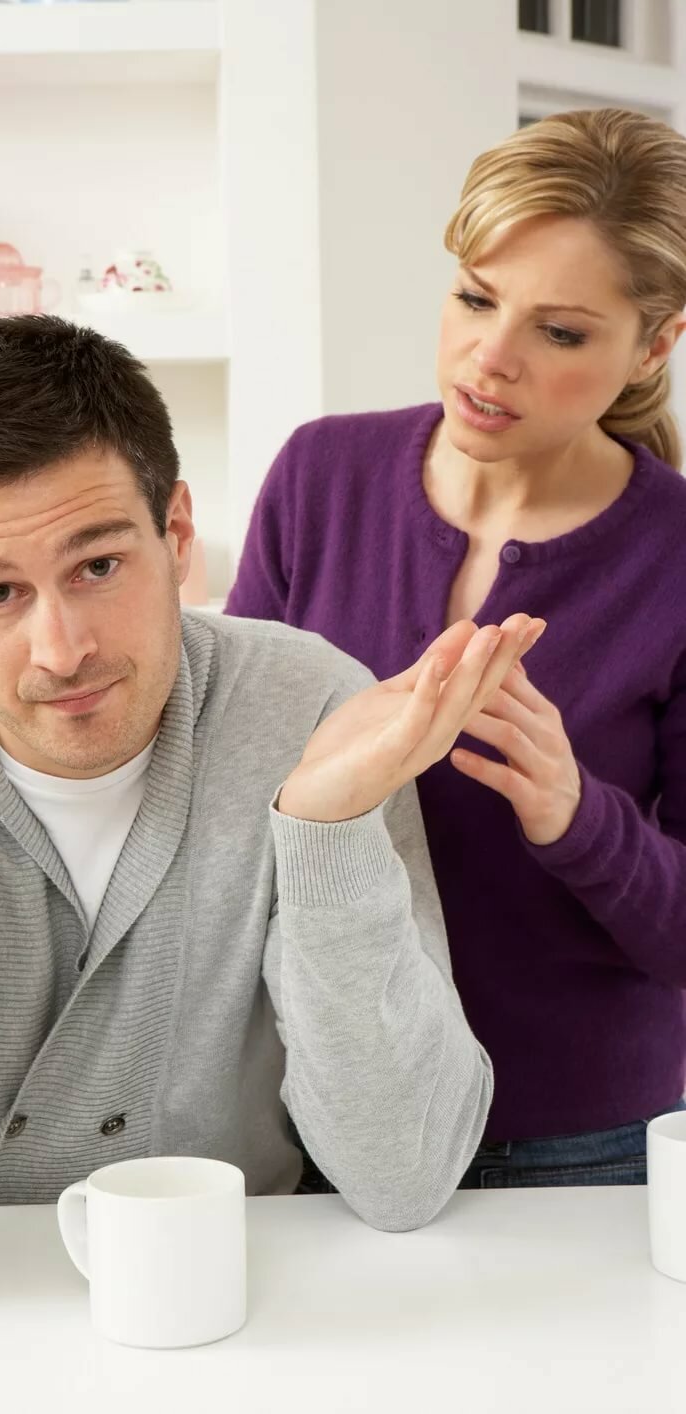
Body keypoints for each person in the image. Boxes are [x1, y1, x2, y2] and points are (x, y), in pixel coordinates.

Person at [0, 315, 537, 1303]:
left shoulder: (315, 711)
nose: (62, 649)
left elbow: (405, 1175)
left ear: (177, 534)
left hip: (236, 1298)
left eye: (99, 566)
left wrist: (326, 833)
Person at [227, 106, 686, 1190]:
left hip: (582, 1147)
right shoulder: (320, 476)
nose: (492, 357)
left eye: (559, 333)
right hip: (320, 1111)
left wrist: (574, 815)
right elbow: (224, 790)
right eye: (476, 298)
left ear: (653, 345)